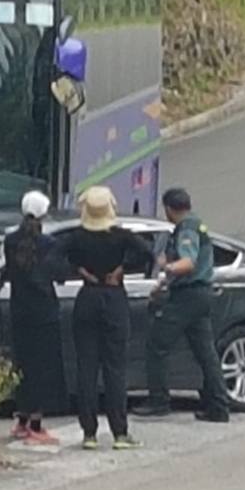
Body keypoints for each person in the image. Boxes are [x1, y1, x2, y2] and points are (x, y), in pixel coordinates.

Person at [135, 188, 231, 423]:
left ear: (169, 208)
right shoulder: (197, 224)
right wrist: (162, 285)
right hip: (200, 294)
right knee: (206, 353)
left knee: (156, 344)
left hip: (188, 296)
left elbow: (187, 263)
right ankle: (218, 405)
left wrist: (166, 266)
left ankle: (158, 401)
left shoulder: (187, 229)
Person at [66, 186, 151, 450]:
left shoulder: (76, 237)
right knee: (115, 368)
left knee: (87, 368)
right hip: (113, 297)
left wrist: (79, 269)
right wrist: (122, 269)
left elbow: (54, 256)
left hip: (88, 296)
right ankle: (120, 432)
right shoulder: (121, 236)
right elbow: (147, 253)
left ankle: (89, 433)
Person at [1, 190, 67, 446]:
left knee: (23, 364)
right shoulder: (49, 244)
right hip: (44, 312)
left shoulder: (10, 241)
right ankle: (37, 425)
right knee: (43, 367)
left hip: (19, 310)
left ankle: (21, 421)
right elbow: (60, 274)